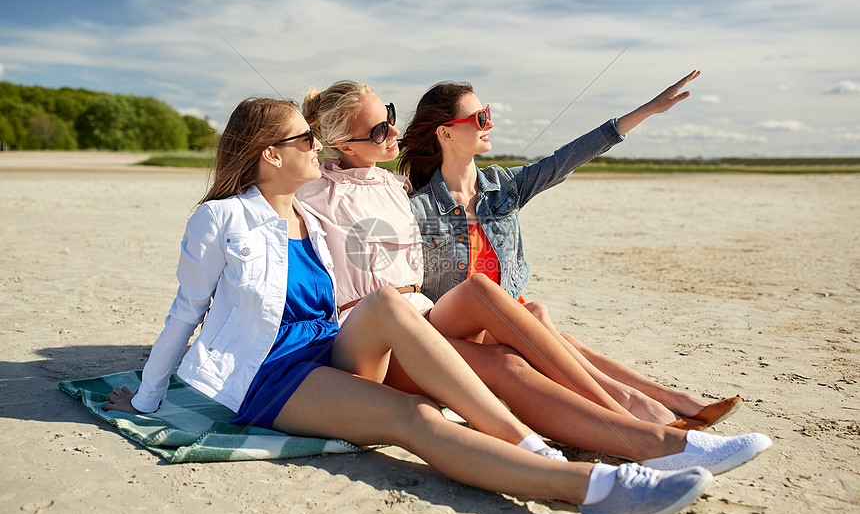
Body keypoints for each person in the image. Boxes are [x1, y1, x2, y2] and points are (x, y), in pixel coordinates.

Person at [100, 96, 717, 514]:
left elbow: (367, 189)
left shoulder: (309, 215)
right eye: (305, 140)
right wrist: (150, 398)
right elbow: (185, 314)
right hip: (275, 377)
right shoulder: (221, 218)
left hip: (332, 348)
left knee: (390, 305)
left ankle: (583, 440)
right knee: (417, 418)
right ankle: (585, 484)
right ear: (268, 155)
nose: (318, 147)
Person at [297, 80, 770, 470]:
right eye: (380, 127)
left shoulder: (397, 186)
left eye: (392, 118)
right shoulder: (320, 192)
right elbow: (264, 193)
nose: (392, 131)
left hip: (422, 316)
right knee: (509, 345)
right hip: (372, 335)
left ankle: (643, 418)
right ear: (340, 143)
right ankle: (639, 422)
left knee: (499, 310)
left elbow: (560, 162)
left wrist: (641, 113)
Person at [402, 71, 740, 427]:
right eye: (479, 118)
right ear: (446, 132)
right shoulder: (418, 207)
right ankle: (634, 407)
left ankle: (674, 401)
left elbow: (566, 159)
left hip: (511, 320)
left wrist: (646, 111)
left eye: (487, 112)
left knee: (560, 336)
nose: (490, 122)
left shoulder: (503, 187)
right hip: (461, 333)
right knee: (538, 318)